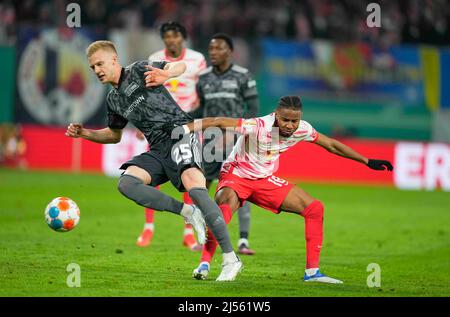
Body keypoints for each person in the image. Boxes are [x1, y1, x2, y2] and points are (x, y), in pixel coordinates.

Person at [65, 40, 242, 281]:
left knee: (197, 189)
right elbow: (114, 135)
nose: (96, 70)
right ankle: (188, 212)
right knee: (127, 184)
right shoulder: (113, 100)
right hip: (158, 147)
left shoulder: (138, 70)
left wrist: (165, 74)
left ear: (114, 60)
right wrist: (86, 133)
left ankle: (231, 259)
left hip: (180, 133)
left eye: (100, 64)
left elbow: (179, 66)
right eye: (92, 67)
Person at [176, 95, 393, 283]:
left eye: (294, 121)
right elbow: (220, 121)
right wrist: (186, 128)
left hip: (264, 180)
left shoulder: (303, 129)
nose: (290, 125)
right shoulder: (258, 125)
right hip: (236, 176)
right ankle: (204, 265)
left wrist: (367, 160)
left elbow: (332, 145)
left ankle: (312, 272)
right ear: (276, 115)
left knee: (314, 208)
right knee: (222, 212)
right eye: (285, 120)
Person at [136, 21, 207, 251]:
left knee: (188, 175)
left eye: (175, 36)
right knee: (151, 175)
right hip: (158, 124)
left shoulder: (197, 59)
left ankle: (188, 233)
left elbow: (204, 89)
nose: (171, 40)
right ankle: (148, 228)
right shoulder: (155, 57)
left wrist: (201, 112)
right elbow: (146, 91)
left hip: (187, 123)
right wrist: (142, 121)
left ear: (183, 37)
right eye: (167, 36)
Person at [194, 33, 259, 255]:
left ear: (229, 51)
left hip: (236, 141)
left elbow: (252, 110)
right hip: (210, 141)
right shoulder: (202, 78)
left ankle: (243, 240)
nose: (213, 52)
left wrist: (241, 135)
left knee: (240, 189)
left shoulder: (243, 76)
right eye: (211, 48)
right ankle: (202, 236)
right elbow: (199, 109)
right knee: (202, 188)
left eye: (218, 48)